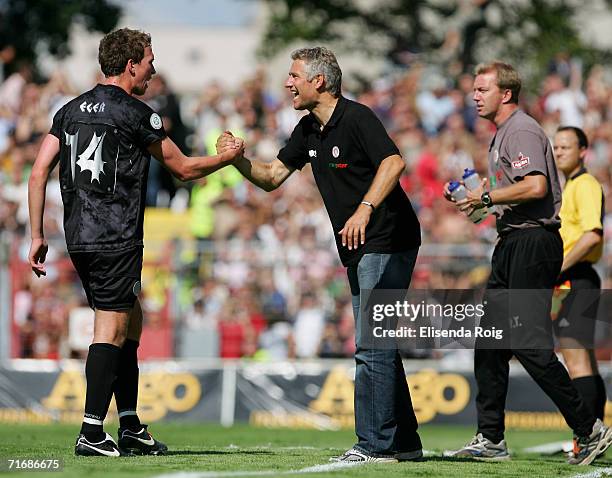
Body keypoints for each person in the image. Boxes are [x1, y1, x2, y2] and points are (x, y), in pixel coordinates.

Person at [27, 28, 243, 457]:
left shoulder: (68, 110)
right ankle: (91, 431)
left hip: (79, 237)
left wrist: (36, 234)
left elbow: (37, 173)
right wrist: (227, 158)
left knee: (131, 318)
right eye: (149, 61)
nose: (153, 69)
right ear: (130, 65)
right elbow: (182, 169)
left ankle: (129, 425)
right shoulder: (136, 113)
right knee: (110, 327)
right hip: (115, 235)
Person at [217, 47, 422, 463]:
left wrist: (365, 209)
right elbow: (273, 177)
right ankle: (404, 442)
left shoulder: (358, 117)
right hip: (359, 246)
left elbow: (394, 163)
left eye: (294, 75)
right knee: (378, 344)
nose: (287, 82)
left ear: (319, 81)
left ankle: (373, 445)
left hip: (388, 238)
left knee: (371, 345)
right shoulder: (308, 129)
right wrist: (237, 161)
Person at [443, 61, 612, 465]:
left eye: (482, 89)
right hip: (514, 241)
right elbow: (521, 192)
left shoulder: (520, 129)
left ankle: (589, 429)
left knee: (529, 343)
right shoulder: (505, 133)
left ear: (505, 93)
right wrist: (486, 202)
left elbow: (536, 186)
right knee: (489, 343)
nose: (474, 96)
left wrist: (487, 199)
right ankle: (490, 438)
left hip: (532, 244)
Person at [552, 126, 606, 419]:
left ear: (583, 151)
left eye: (566, 147)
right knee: (584, 360)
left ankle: (586, 434)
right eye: (556, 147)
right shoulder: (571, 185)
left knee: (577, 361)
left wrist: (558, 266)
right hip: (574, 278)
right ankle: (595, 431)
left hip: (577, 277)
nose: (559, 152)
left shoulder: (585, 184)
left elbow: (592, 235)